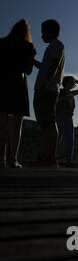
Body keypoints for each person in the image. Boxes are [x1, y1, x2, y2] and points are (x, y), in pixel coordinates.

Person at [0, 19, 36, 168]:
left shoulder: (1, 43)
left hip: (1, 84)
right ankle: (13, 159)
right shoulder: (29, 47)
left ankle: (0, 159)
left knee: (1, 124)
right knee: (16, 125)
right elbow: (28, 71)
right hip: (18, 85)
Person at [29, 19, 65, 168]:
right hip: (47, 88)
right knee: (45, 124)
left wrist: (45, 83)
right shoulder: (52, 47)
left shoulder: (56, 45)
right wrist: (32, 61)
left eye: (43, 32)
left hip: (47, 89)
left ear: (50, 32)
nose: (42, 35)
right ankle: (46, 157)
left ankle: (49, 157)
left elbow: (54, 65)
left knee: (48, 123)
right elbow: (46, 66)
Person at [56, 76, 78, 167]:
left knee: (70, 140)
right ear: (66, 83)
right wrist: (65, 99)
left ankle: (68, 161)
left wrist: (75, 80)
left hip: (69, 118)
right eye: (71, 82)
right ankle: (50, 157)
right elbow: (56, 101)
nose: (73, 83)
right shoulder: (59, 92)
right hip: (59, 117)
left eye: (73, 82)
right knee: (57, 139)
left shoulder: (72, 93)